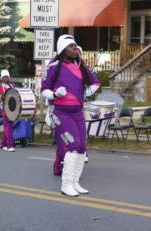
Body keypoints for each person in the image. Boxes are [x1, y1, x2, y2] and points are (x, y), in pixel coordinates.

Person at [41, 35, 100, 197]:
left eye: (76, 45)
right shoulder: (54, 67)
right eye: (72, 46)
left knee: (81, 147)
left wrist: (85, 93)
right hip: (60, 112)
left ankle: (75, 182)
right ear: (63, 49)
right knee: (72, 146)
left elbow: (95, 82)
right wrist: (54, 94)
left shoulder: (80, 65)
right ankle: (66, 184)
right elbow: (43, 89)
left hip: (77, 112)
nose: (75, 48)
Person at [0, 70, 15, 152]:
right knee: (8, 126)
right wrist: (0, 97)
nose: (6, 78)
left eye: (7, 77)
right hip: (4, 109)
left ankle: (3, 144)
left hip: (13, 108)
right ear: (1, 78)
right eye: (4, 77)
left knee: (8, 126)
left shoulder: (12, 85)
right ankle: (10, 145)